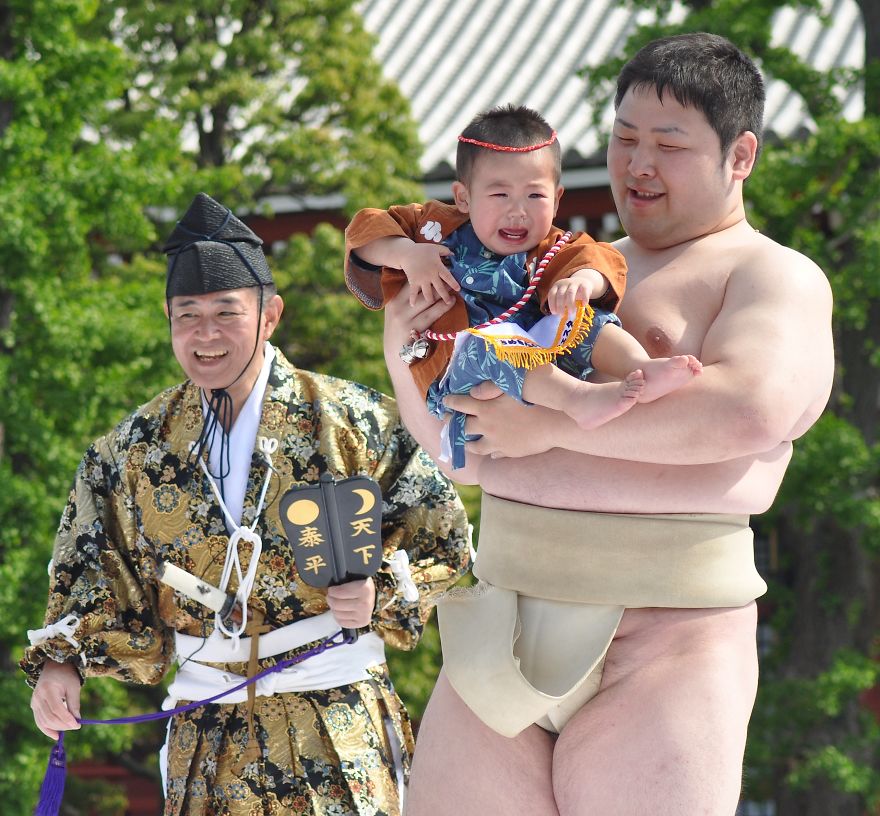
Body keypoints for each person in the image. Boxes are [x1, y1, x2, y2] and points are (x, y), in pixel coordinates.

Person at [371, 33, 834, 816]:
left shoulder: (769, 274)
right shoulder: (550, 269)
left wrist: (550, 430)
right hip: (504, 618)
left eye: (668, 144)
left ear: (741, 155)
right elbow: (463, 443)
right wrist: (398, 350)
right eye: (624, 139)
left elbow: (748, 409)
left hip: (667, 643)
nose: (637, 164)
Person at [21, 192, 471, 816]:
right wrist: (62, 666)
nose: (205, 334)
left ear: (271, 315)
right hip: (206, 737)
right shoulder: (127, 452)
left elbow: (446, 538)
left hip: (334, 719)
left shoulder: (353, 420)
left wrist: (383, 593)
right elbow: (89, 575)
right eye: (187, 315)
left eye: (226, 313)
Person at [345, 105, 701, 469]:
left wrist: (582, 282)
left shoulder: (555, 247)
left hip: (542, 358)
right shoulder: (432, 228)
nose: (518, 211)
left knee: (588, 319)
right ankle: (579, 400)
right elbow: (364, 230)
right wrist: (406, 254)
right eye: (500, 196)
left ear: (558, 198)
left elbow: (600, 259)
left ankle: (639, 366)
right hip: (463, 369)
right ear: (464, 197)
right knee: (490, 346)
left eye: (535, 196)